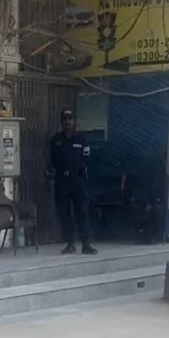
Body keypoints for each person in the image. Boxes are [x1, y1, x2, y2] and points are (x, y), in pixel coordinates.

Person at [49, 109, 96, 255]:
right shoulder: (56, 140)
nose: (67, 122)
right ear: (62, 122)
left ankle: (86, 244)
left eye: (70, 119)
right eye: (65, 119)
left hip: (78, 180)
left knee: (82, 212)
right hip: (62, 180)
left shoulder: (81, 140)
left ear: (74, 121)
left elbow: (87, 159)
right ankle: (70, 243)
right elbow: (53, 161)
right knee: (64, 213)